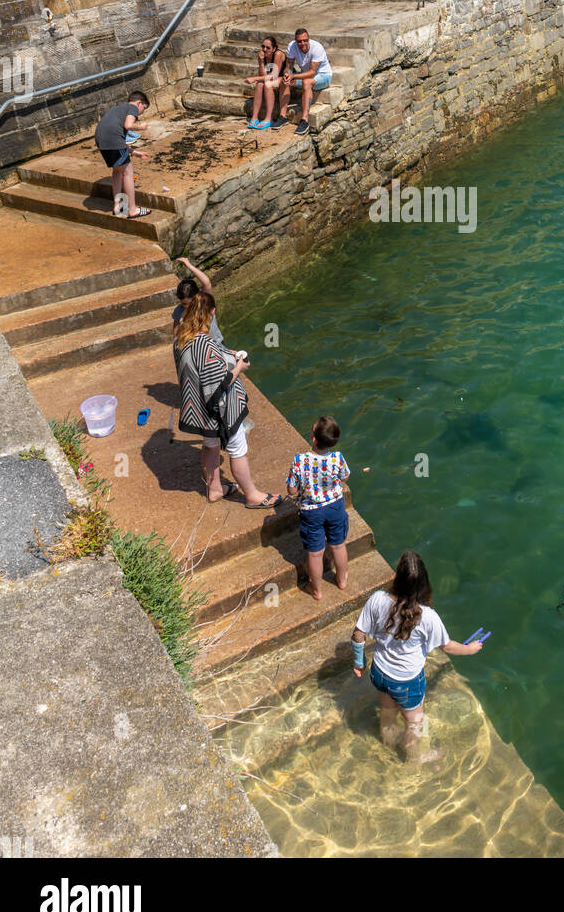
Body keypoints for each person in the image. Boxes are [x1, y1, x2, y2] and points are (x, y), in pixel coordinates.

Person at [351, 550, 483, 763]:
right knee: (415, 722)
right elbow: (447, 647)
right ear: (424, 583)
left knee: (387, 710)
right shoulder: (428, 617)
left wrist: (359, 661)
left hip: (379, 672)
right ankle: (415, 760)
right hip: (406, 681)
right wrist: (470, 648)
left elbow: (358, 634)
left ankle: (388, 746)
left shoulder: (377, 599)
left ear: (397, 577)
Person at [175, 291, 279, 508]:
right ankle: (251, 495)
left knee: (210, 446)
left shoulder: (182, 340)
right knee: (238, 450)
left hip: (199, 409)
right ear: (212, 312)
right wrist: (239, 366)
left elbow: (201, 366)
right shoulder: (205, 343)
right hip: (220, 410)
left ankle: (214, 489)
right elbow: (220, 381)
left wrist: (225, 354)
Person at [286, 415, 350, 600]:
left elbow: (291, 490)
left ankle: (317, 590)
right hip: (335, 507)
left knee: (315, 554)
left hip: (311, 512)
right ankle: (341, 579)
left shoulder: (299, 460)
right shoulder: (338, 458)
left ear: (314, 439)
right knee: (338, 545)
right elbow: (345, 476)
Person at [94, 91, 152, 219]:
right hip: (112, 141)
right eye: (144, 108)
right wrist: (141, 127)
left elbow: (117, 138)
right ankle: (132, 210)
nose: (142, 112)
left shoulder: (118, 109)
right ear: (139, 103)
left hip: (101, 140)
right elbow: (129, 125)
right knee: (128, 173)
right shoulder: (132, 107)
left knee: (117, 171)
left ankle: (117, 206)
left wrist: (134, 152)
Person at [275, 27, 331, 136]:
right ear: (296, 41)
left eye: (305, 40)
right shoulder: (292, 46)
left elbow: (312, 72)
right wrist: (287, 73)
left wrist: (293, 76)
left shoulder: (317, 47)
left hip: (323, 76)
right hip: (305, 76)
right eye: (299, 41)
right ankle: (282, 116)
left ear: (308, 39)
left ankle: (304, 120)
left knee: (306, 82)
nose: (302, 43)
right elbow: (289, 65)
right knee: (284, 80)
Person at [172, 256, 223, 344]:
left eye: (190, 303)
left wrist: (189, 266)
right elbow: (176, 330)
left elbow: (206, 282)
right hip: (195, 349)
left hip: (216, 344)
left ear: (197, 296)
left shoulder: (205, 303)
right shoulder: (178, 311)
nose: (188, 306)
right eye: (184, 303)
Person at [244, 35, 285, 129]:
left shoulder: (278, 54)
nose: (264, 49)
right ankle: (254, 118)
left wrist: (254, 78)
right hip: (273, 79)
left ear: (274, 49)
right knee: (259, 84)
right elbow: (263, 74)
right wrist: (261, 61)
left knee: (267, 84)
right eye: (263, 46)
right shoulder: (263, 55)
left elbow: (274, 76)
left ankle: (269, 118)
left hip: (284, 78)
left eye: (268, 47)